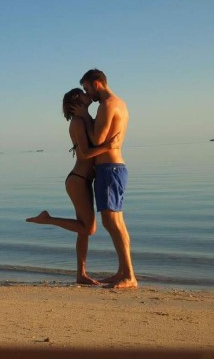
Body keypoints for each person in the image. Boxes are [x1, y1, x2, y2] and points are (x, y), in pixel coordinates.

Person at [26, 88, 120, 285]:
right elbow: (84, 154)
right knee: (89, 229)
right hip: (78, 180)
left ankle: (81, 274)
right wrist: (108, 147)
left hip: (84, 180)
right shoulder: (77, 122)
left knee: (83, 230)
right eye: (83, 93)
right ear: (77, 99)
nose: (88, 94)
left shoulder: (84, 118)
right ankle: (47, 219)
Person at [73, 69, 137, 289]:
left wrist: (85, 116)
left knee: (112, 222)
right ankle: (123, 272)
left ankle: (129, 276)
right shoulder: (120, 103)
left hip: (109, 169)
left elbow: (97, 140)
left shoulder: (107, 105)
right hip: (113, 168)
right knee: (116, 222)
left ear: (97, 83)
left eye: (87, 88)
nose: (87, 94)